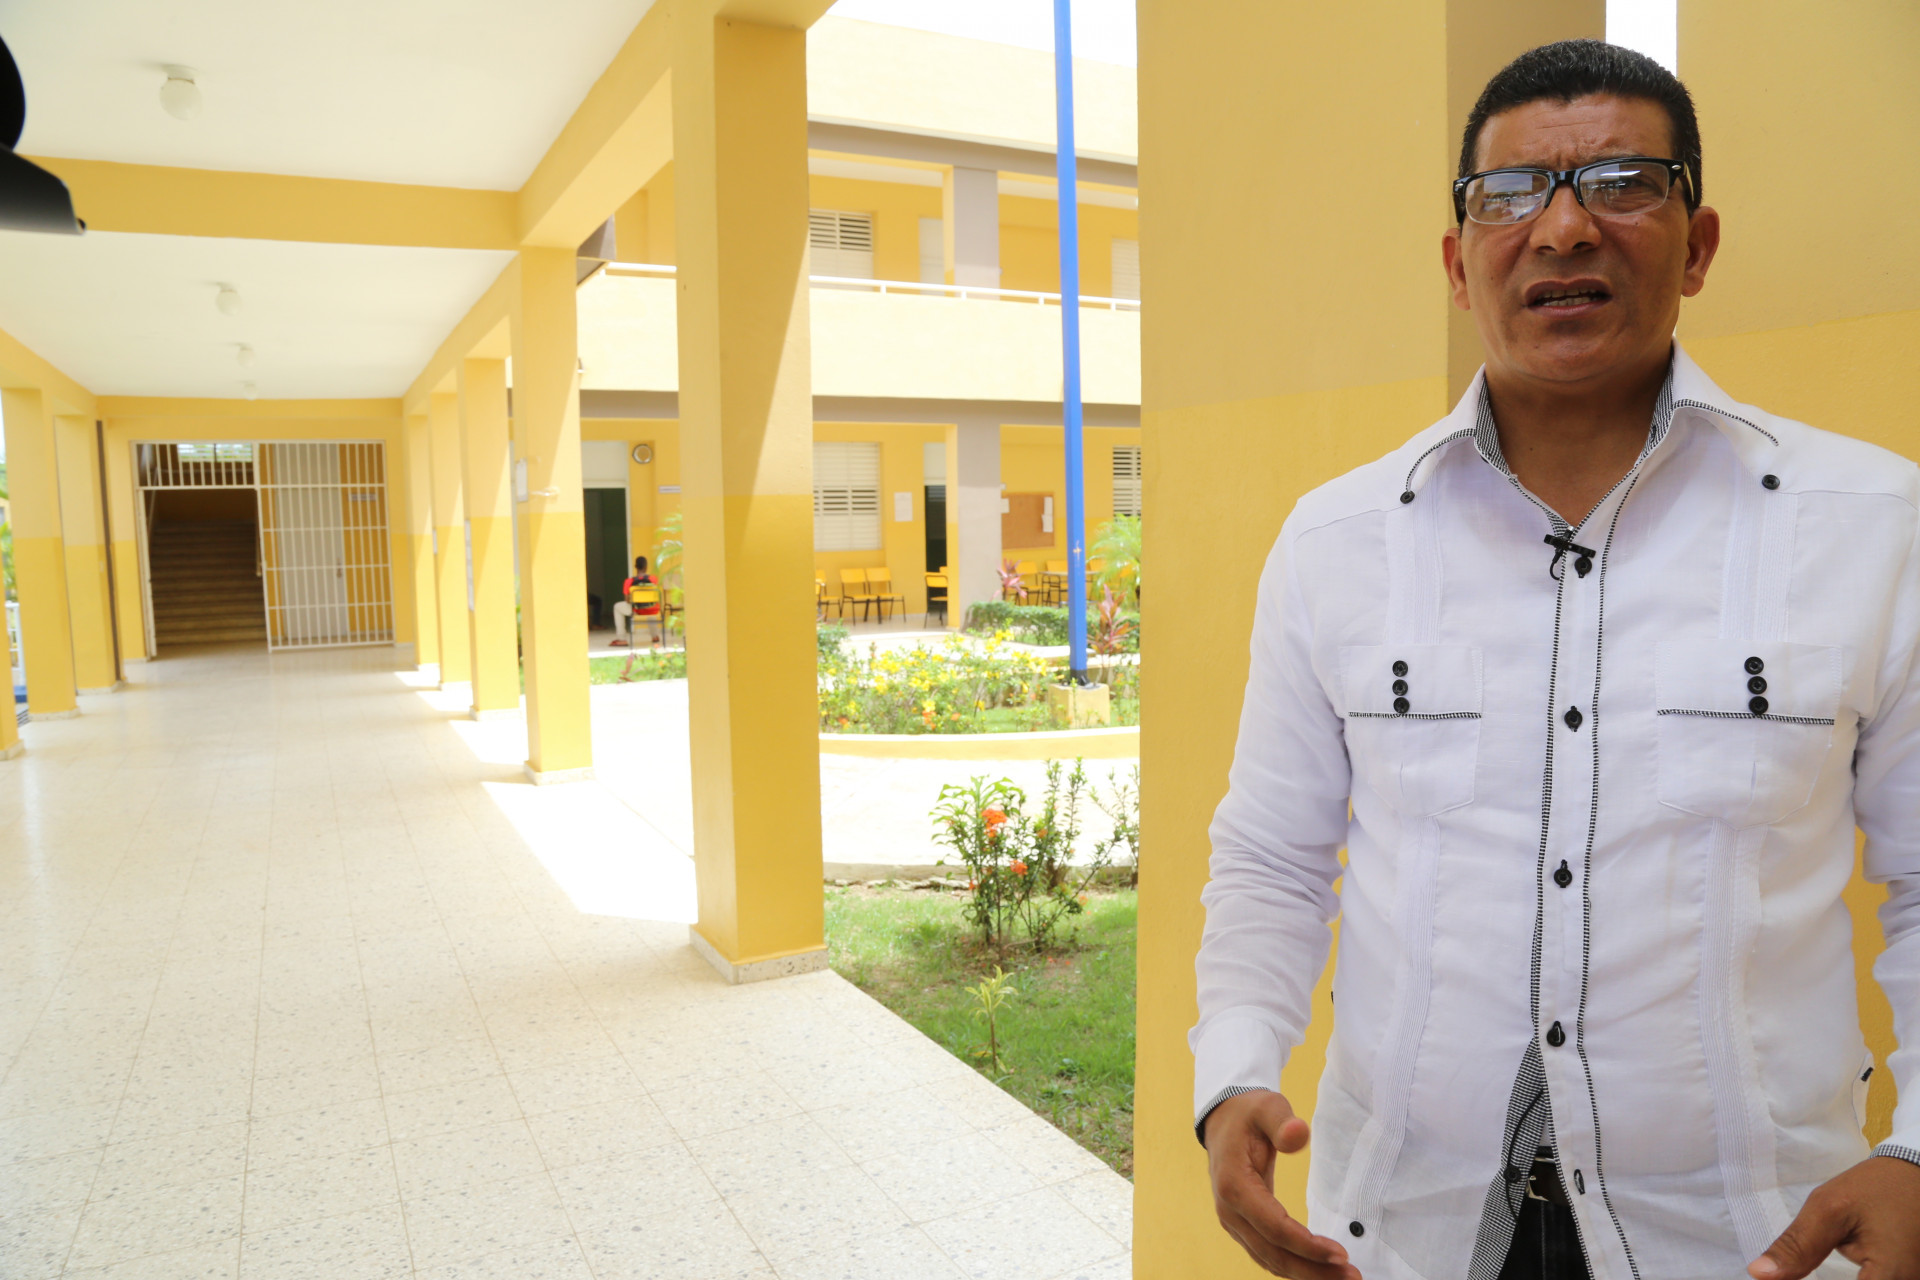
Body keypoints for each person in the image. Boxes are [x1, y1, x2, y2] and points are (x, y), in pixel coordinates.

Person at [1192, 39, 1920, 1280]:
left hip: (1746, 1234)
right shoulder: (1336, 541)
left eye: (1625, 183)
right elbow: (1272, 855)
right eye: (1512, 194)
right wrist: (1233, 1073)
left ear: (1698, 244)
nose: (1565, 227)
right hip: (1407, 1226)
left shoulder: (1872, 524)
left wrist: (1916, 1149)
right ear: (1457, 261)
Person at [609, 554, 660, 648]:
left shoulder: (629, 581)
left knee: (617, 606)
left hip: (637, 610)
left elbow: (627, 601)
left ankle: (621, 638)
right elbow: (655, 597)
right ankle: (655, 636)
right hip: (651, 610)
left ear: (635, 567)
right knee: (651, 606)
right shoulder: (653, 579)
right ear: (646, 567)